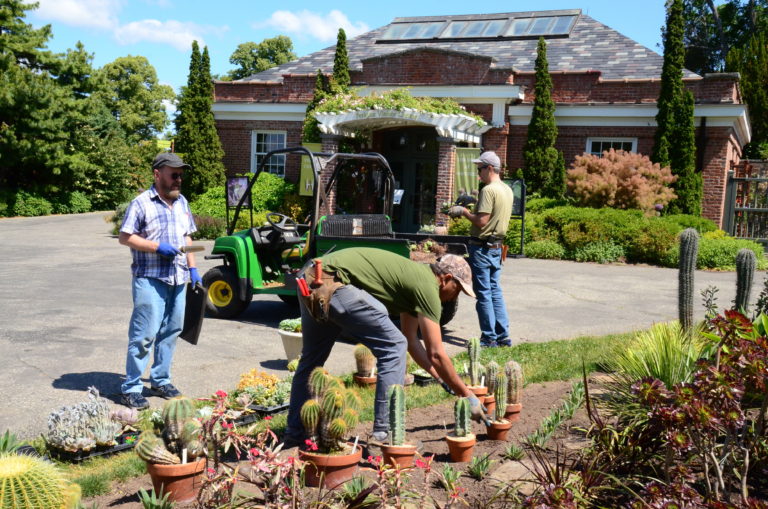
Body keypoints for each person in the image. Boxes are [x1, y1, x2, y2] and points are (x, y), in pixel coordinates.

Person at [284, 247, 490, 445]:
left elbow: (411, 341)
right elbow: (436, 353)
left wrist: (439, 378)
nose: (456, 296)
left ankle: (295, 432)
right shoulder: (428, 287)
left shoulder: (415, 281)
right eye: (458, 289)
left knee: (312, 359)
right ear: (446, 279)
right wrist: (468, 395)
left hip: (311, 276)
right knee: (393, 348)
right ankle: (384, 433)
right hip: (331, 280)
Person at [117, 152, 202, 409]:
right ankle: (131, 387)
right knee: (144, 335)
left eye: (180, 175)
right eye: (173, 174)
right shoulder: (141, 203)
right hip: (150, 278)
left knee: (170, 332)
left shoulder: (182, 202)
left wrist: (193, 270)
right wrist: (156, 247)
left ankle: (160, 380)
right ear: (157, 174)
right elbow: (125, 237)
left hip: (178, 278)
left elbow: (187, 238)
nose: (178, 180)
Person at [449, 151, 513, 348]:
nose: (479, 173)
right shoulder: (507, 189)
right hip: (496, 247)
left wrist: (464, 211)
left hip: (482, 248)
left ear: (490, 168)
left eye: (480, 169)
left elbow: (482, 222)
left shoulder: (488, 190)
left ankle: (488, 338)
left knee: (483, 293)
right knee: (495, 292)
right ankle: (503, 336)